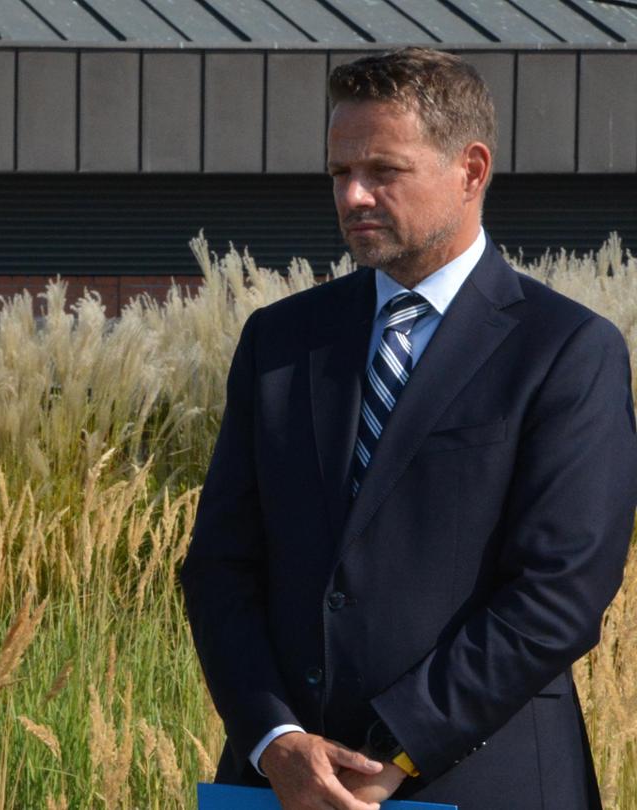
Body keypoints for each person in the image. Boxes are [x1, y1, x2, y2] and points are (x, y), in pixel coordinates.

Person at [180, 47, 637, 809]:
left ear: (471, 168)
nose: (353, 195)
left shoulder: (566, 351)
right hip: (283, 785)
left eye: (383, 171)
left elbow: (560, 593)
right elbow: (220, 566)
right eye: (338, 173)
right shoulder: (280, 341)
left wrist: (399, 746)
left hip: (483, 781)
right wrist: (273, 739)